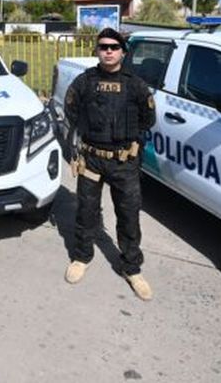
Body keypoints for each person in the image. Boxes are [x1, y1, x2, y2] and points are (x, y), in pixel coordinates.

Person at [63, 27, 157, 300]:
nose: (108, 51)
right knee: (86, 211)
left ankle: (131, 268)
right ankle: (81, 257)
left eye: (114, 47)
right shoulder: (84, 81)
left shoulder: (136, 84)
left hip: (124, 162)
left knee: (129, 215)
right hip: (91, 159)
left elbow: (148, 119)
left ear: (123, 52)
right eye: (103, 47)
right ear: (96, 50)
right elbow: (71, 110)